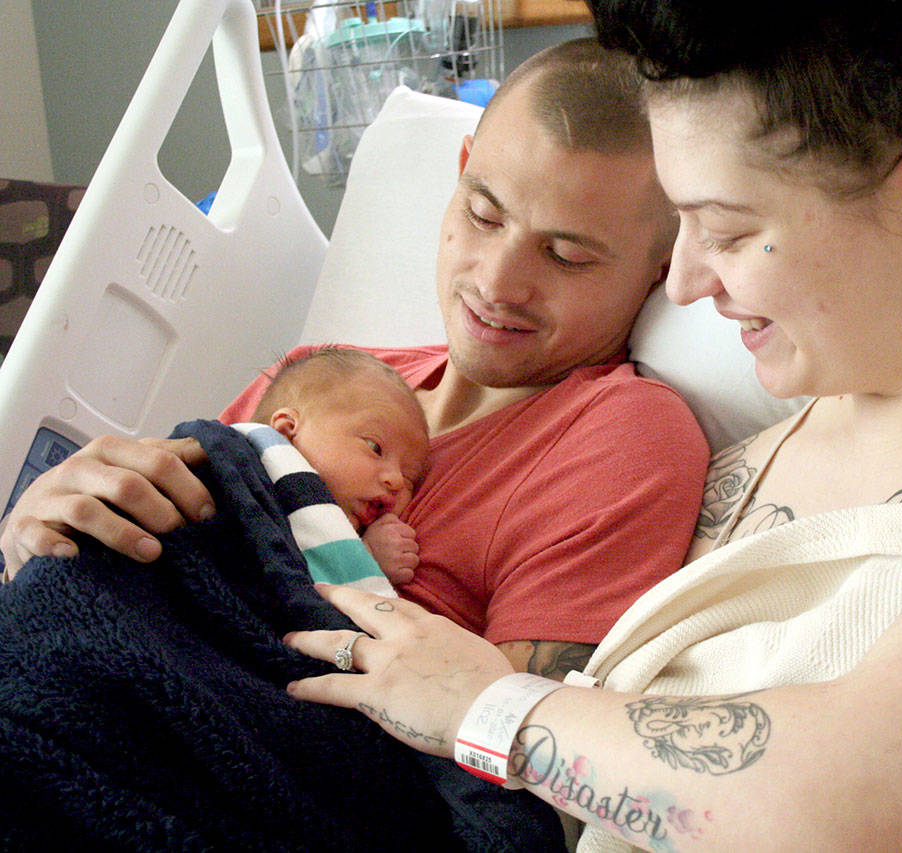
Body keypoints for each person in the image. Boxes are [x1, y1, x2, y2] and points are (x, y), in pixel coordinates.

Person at [277, 1, 902, 849]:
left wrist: (491, 707)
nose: (684, 283)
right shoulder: (729, 478)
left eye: (727, 228)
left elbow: (858, 801)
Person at [1, 37, 709, 681]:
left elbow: (511, 742)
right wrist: (43, 531)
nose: (496, 282)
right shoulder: (320, 379)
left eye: (566, 255)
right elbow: (172, 557)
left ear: (661, 263)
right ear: (460, 174)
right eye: (483, 215)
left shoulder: (619, 435)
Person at [244, 345, 431, 583]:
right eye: (375, 447)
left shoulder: (339, 535)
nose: (395, 480)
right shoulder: (240, 476)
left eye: (409, 479)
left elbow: (303, 587)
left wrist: (365, 558)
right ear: (287, 431)